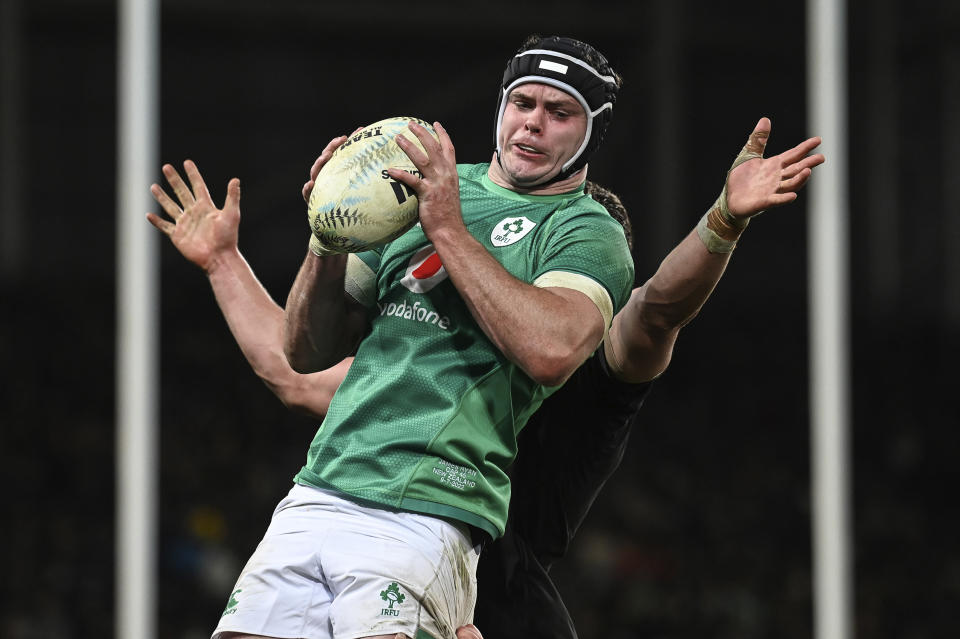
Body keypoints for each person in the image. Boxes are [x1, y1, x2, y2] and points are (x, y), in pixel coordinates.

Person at [150, 105, 823, 637]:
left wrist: (722, 222)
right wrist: (224, 262)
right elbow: (296, 375)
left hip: (499, 580)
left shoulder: (600, 359)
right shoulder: (452, 347)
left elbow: (656, 306)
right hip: (415, 538)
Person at [156, 35, 636, 639]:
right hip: (320, 487)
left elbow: (551, 351)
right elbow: (304, 354)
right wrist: (327, 239)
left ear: (591, 131)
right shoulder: (412, 189)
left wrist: (447, 226)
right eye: (522, 103)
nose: (532, 124)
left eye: (559, 112)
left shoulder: (585, 232)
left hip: (426, 506)